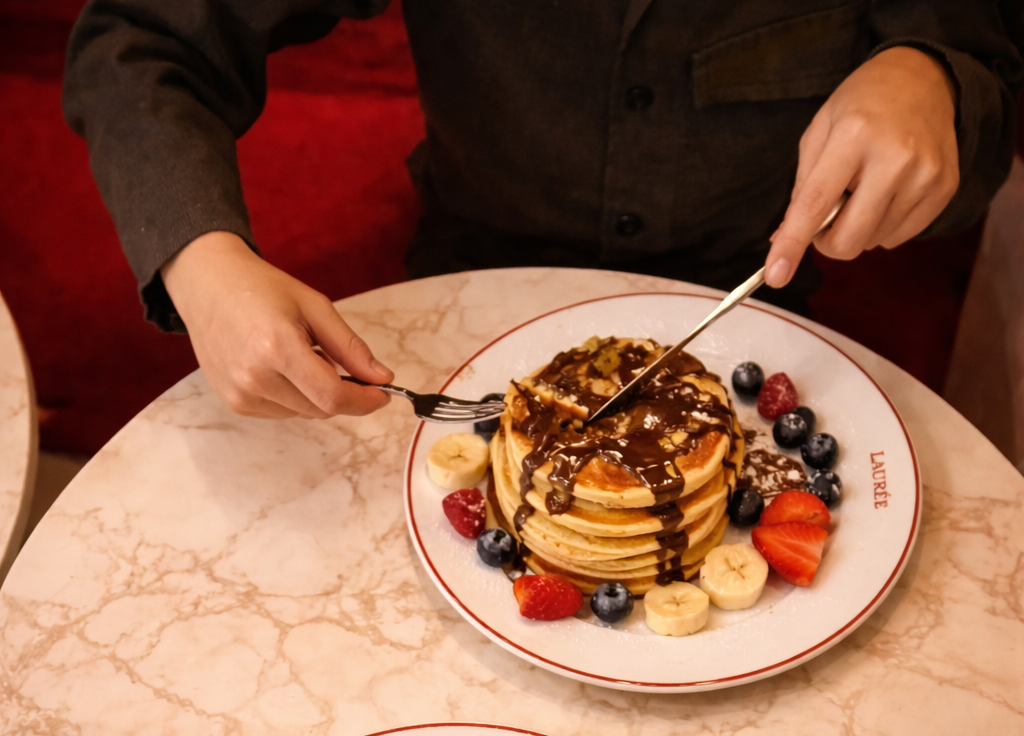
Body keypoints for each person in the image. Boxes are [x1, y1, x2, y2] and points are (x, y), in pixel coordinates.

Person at [63, 3, 1021, 422]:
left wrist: (936, 75)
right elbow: (142, 38)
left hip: (752, 305)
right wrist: (199, 259)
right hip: (466, 288)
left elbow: (984, 63)